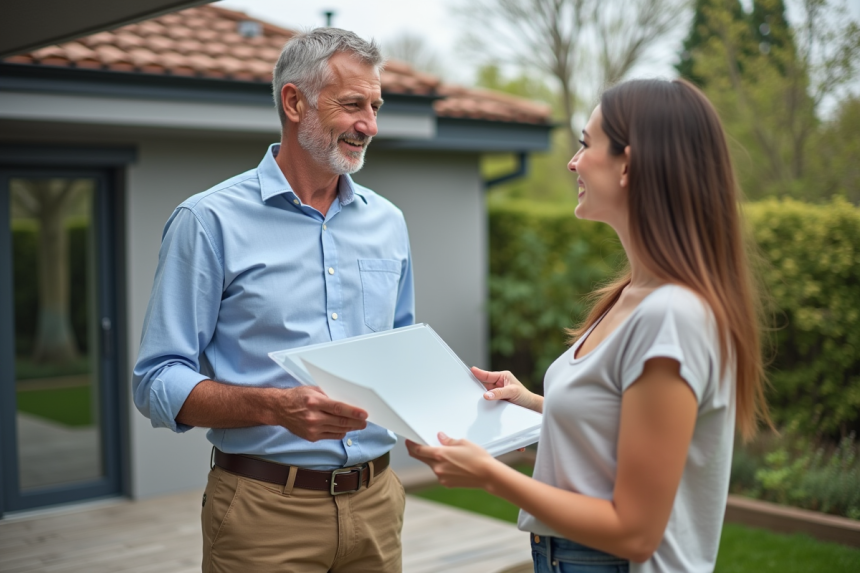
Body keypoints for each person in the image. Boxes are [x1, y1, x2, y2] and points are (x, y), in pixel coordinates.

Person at [407, 78, 770, 573]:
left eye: (585, 143)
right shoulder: (630, 296)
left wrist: (490, 475)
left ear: (629, 164)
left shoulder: (672, 316)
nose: (574, 162)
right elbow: (616, 425)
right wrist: (531, 403)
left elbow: (635, 531)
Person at [132, 28, 414, 572]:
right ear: (294, 101)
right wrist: (274, 408)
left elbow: (400, 354)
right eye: (353, 104)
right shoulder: (208, 221)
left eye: (375, 106)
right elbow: (156, 380)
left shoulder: (389, 222)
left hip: (379, 504)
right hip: (263, 514)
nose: (369, 126)